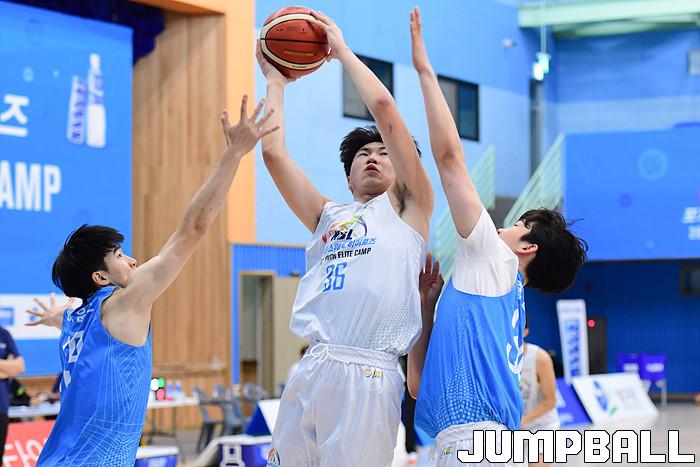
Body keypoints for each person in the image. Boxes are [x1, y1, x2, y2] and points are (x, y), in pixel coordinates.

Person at [26, 96, 277, 467]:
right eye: (119, 255)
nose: (132, 260)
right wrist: (234, 153)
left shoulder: (74, 319)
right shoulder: (122, 303)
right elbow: (192, 229)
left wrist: (53, 315)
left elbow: (60, 314)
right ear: (100, 277)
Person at [406, 8, 587, 467]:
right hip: (477, 444)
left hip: (475, 445)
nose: (501, 225)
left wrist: (424, 70)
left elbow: (449, 158)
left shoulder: (494, 260)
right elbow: (418, 385)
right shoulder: (504, 299)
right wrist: (427, 311)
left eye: (517, 224)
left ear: (527, 248)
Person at [257, 9, 434, 466]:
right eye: (363, 154)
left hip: (370, 373)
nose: (373, 157)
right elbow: (273, 153)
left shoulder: (408, 208)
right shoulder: (327, 216)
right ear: (348, 178)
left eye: (384, 152)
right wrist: (275, 81)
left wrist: (342, 52)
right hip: (312, 366)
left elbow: (386, 112)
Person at [519, 319, 559, 467]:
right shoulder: (500, 358)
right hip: (516, 429)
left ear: (525, 332)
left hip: (542, 426)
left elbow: (550, 401)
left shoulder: (540, 357)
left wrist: (523, 420)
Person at [0, 326, 25, 460]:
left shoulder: (3, 334)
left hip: (1, 407)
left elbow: (20, 367)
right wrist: (7, 366)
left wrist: (12, 368)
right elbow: (12, 368)